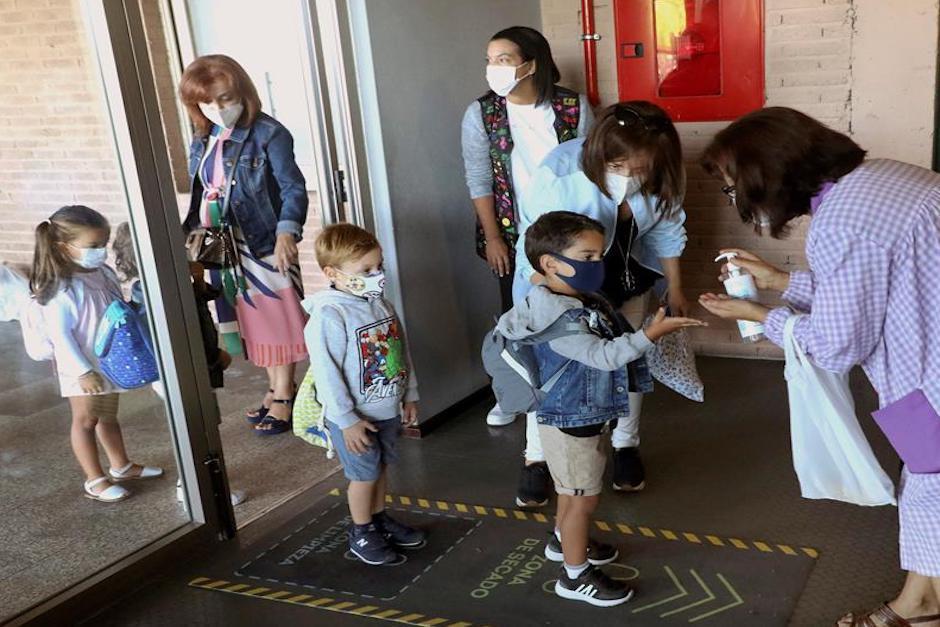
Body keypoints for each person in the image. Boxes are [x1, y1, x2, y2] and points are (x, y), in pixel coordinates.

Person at [697, 106, 940, 627]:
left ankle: (917, 608)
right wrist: (780, 281)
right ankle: (923, 598)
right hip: (922, 357)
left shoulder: (841, 223)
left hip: (924, 382)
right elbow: (873, 290)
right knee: (927, 479)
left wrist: (760, 316)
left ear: (768, 174)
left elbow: (836, 342)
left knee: (929, 481)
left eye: (733, 185)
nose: (735, 198)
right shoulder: (887, 176)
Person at [497, 211, 703, 606]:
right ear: (551, 264)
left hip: (577, 414)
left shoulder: (557, 296)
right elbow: (604, 356)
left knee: (573, 493)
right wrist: (649, 335)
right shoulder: (561, 317)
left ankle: (564, 541)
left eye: (599, 255)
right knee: (581, 499)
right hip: (571, 420)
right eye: (588, 257)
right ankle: (574, 576)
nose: (598, 265)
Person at [511, 101, 688, 507]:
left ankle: (626, 445)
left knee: (628, 361)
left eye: (640, 169)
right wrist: (559, 308)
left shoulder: (664, 174)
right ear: (600, 151)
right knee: (553, 375)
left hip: (626, 280)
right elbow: (535, 250)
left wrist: (676, 288)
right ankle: (537, 457)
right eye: (619, 165)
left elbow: (667, 232)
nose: (629, 176)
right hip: (562, 287)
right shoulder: (560, 172)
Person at [461, 25, 594, 428]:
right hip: (514, 234)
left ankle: (575, 388)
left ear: (531, 64)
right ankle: (514, 393)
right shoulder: (482, 113)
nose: (493, 68)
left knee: (573, 312)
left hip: (570, 233)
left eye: (503, 60)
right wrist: (494, 238)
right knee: (517, 315)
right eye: (489, 60)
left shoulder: (573, 107)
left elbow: (592, 168)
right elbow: (479, 179)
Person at [180, 54, 308, 435]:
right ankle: (275, 388)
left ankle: (285, 393)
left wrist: (288, 232)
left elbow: (292, 188)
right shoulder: (204, 136)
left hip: (263, 241)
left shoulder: (270, 133)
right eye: (207, 102)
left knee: (276, 318)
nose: (217, 109)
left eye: (224, 98)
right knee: (252, 320)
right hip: (225, 246)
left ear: (242, 93)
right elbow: (202, 189)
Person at [304, 223, 424, 565]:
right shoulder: (330, 314)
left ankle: (378, 518)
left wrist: (409, 393)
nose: (377, 275)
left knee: (381, 466)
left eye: (379, 267)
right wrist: (346, 420)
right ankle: (361, 531)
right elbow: (327, 375)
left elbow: (400, 352)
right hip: (354, 418)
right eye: (366, 270)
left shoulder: (380, 304)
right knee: (363, 474)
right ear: (333, 273)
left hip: (386, 407)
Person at [28, 206, 163, 502]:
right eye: (92, 246)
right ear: (63, 246)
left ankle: (121, 465)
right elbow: (60, 335)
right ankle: (94, 478)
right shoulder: (60, 287)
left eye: (103, 244)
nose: (100, 251)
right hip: (81, 367)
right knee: (86, 419)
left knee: (107, 416)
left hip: (106, 362)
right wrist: (81, 371)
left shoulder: (102, 272)